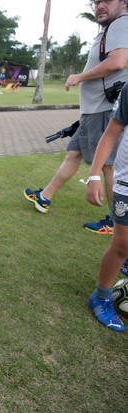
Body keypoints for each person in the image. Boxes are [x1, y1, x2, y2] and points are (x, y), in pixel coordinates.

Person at [24, 0, 128, 234]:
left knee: (108, 166)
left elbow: (118, 61)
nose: (100, 6)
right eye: (97, 2)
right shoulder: (111, 28)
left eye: (107, 1)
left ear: (123, 3)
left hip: (102, 109)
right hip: (93, 110)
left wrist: (79, 77)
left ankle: (117, 221)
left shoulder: (122, 23)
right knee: (74, 153)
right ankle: (45, 196)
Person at [85, 81, 128, 333]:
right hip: (125, 180)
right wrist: (93, 176)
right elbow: (112, 131)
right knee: (122, 245)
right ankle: (101, 297)